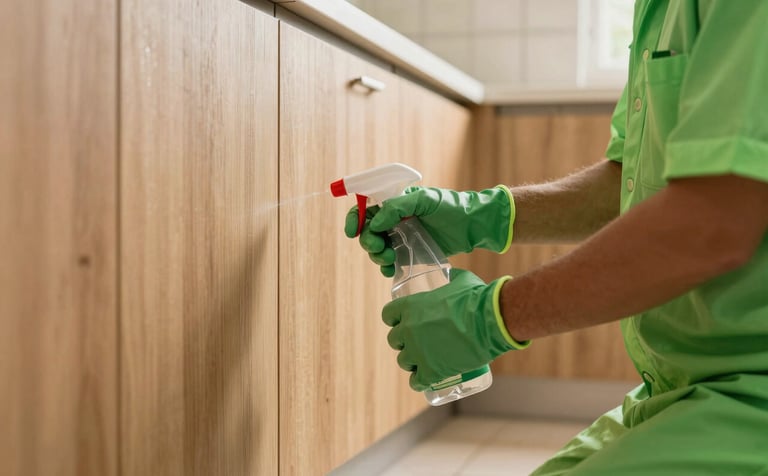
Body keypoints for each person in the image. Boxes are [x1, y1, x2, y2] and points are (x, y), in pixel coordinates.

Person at [344, 1, 768, 474]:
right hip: (683, 389)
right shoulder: (657, 10)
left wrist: (490, 318)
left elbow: (712, 222)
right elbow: (632, 180)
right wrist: (485, 214)